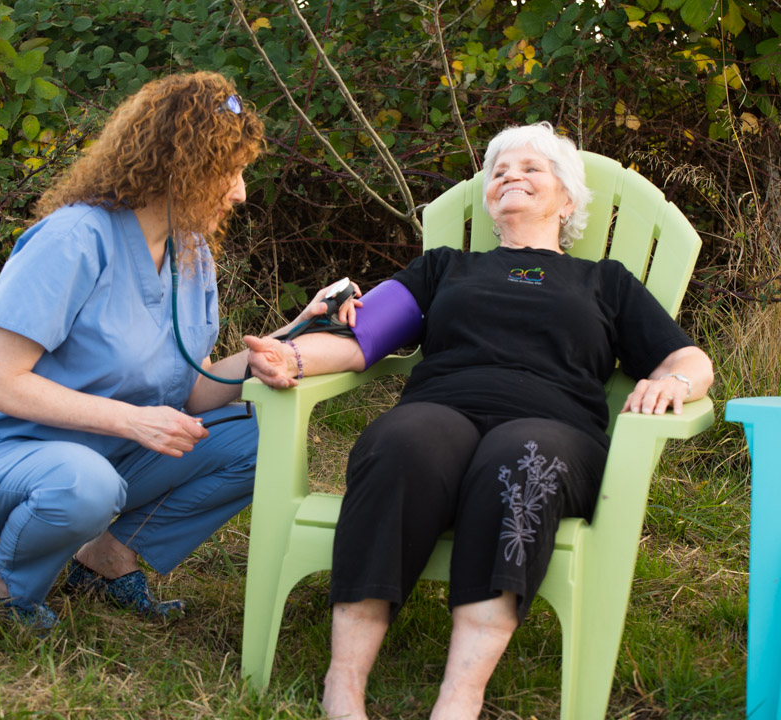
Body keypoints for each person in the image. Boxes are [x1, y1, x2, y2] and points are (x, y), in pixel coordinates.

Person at [244, 121, 714, 719]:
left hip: (556, 427)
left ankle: (461, 694)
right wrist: (295, 356)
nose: (510, 176)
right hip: (442, 408)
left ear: (567, 199)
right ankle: (344, 685)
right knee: (403, 442)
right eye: (499, 171)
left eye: (530, 169)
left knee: (522, 457)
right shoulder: (444, 267)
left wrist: (673, 382)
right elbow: (362, 338)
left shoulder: (606, 282)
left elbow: (690, 359)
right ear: (488, 200)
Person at [0, 71, 353, 632]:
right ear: (180, 168)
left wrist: (299, 328)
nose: (240, 192)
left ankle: (105, 559)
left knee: (263, 439)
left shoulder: (192, 255)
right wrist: (133, 421)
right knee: (85, 483)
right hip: (7, 456)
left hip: (115, 456)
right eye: (229, 171)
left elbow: (194, 388)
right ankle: (13, 589)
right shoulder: (73, 240)